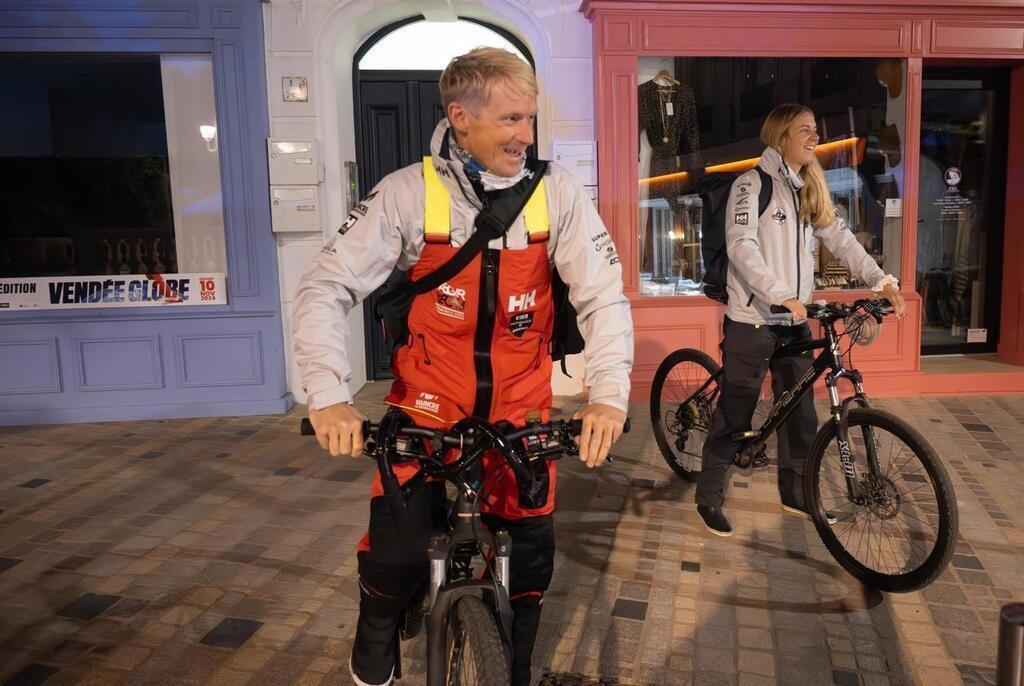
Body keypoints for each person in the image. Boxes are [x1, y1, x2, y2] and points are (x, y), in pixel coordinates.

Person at [292, 47, 633, 686]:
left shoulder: (554, 192)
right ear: (461, 117)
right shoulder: (405, 193)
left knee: (529, 561)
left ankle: (515, 668)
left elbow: (602, 296)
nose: (525, 136)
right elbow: (324, 286)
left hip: (519, 407)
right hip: (428, 402)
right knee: (396, 547)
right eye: (509, 120)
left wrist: (609, 395)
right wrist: (328, 394)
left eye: (530, 120)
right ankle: (377, 624)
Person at [695, 103, 907, 537]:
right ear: (781, 136)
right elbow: (741, 247)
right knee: (737, 409)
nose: (814, 137)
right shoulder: (750, 185)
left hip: (793, 320)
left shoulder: (808, 187)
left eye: (815, 130)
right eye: (805, 130)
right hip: (752, 318)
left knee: (800, 414)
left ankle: (795, 493)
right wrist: (780, 294)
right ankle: (709, 495)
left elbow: (842, 240)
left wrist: (881, 281)